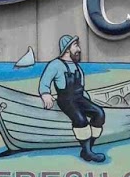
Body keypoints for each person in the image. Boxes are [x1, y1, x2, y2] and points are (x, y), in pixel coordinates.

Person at [38, 34, 106, 162]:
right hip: (66, 100)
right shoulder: (55, 64)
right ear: (67, 49)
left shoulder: (77, 67)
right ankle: (87, 152)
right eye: (76, 46)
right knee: (80, 119)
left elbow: (82, 88)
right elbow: (44, 82)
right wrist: (45, 94)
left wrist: (89, 101)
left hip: (79, 98)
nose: (79, 49)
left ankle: (87, 149)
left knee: (99, 113)